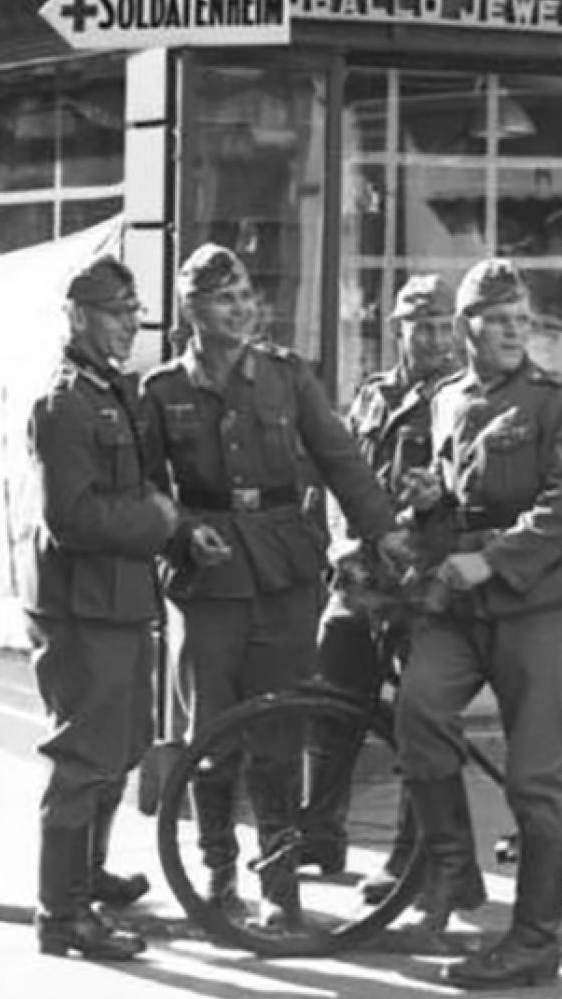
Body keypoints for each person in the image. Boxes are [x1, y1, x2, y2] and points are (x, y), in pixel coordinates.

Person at [142, 244, 410, 928]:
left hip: (285, 568)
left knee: (279, 728)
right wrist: (177, 534)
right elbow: (144, 487)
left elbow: (341, 460)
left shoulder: (288, 378)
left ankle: (279, 884)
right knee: (211, 735)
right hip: (209, 575)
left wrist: (383, 531)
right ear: (190, 310)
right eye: (222, 299)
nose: (240, 309)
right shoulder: (163, 390)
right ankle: (216, 869)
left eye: (245, 297)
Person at [396, 257, 562, 990]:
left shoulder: (561, 401)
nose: (516, 334)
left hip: (535, 604)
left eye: (524, 322)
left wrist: (492, 560)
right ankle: (454, 871)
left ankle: (533, 942)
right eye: (500, 322)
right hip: (460, 604)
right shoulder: (448, 398)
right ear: (466, 329)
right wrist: (428, 505)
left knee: (536, 777)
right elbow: (455, 500)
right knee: (418, 713)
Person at [23, 256, 180, 961]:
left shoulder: (110, 393)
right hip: (82, 611)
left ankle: (88, 876)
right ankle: (62, 914)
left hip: (119, 602)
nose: (130, 325)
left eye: (134, 312)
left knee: (120, 748)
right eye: (117, 313)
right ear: (78, 316)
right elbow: (72, 517)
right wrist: (160, 522)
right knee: (82, 758)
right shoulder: (67, 404)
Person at [309, 273, 460, 895]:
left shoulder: (458, 397)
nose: (428, 338)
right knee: (329, 700)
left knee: (417, 721)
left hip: (419, 585)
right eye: (417, 325)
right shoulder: (373, 395)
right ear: (397, 329)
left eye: (439, 325)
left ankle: (408, 856)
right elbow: (343, 476)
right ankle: (318, 832)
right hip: (361, 578)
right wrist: (344, 547)